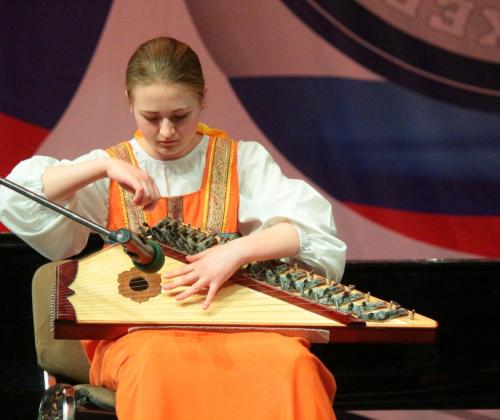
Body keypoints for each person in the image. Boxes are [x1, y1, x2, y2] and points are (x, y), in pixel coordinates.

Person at [0, 37, 346, 420]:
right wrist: (102, 168)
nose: (166, 131)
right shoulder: (114, 167)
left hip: (236, 328)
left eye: (180, 116)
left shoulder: (240, 161)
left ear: (202, 99)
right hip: (141, 336)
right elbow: (16, 195)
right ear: (129, 101)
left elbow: (311, 233)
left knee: (291, 363)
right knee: (157, 366)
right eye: (151, 117)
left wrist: (235, 252)